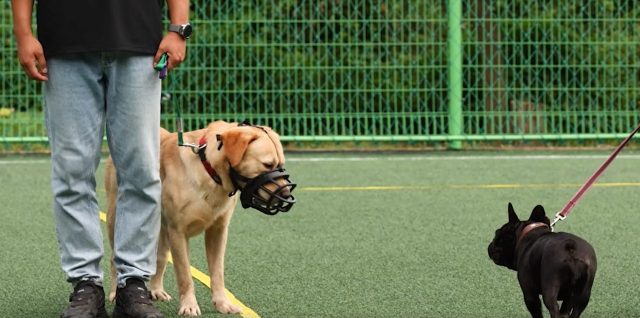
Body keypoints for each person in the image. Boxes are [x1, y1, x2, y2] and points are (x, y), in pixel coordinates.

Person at [10, 0, 192, 317]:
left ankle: (133, 285)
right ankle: (86, 284)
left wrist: (179, 27)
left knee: (142, 174)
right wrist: (23, 33)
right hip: (64, 44)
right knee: (71, 174)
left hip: (139, 44)